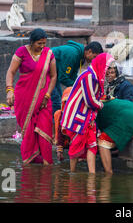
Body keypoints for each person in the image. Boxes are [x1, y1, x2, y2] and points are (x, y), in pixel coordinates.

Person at [6, 28, 57, 165]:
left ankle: (45, 163)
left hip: (44, 100)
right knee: (28, 129)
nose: (42, 46)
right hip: (24, 98)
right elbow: (11, 72)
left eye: (44, 43)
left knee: (44, 127)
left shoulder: (48, 54)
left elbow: (53, 77)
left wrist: (47, 94)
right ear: (32, 42)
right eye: (39, 43)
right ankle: (30, 161)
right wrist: (9, 90)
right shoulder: (21, 52)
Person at [60, 52, 114, 173]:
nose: (107, 71)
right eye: (106, 67)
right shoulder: (88, 76)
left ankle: (92, 174)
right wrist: (100, 104)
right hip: (77, 117)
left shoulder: (97, 77)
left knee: (92, 145)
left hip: (89, 117)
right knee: (76, 146)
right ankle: (72, 173)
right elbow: (90, 101)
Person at [51, 41, 103, 115]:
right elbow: (63, 77)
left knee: (60, 98)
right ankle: (53, 124)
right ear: (89, 51)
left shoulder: (80, 57)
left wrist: (80, 85)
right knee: (56, 100)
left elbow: (73, 75)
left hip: (54, 73)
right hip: (45, 70)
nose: (93, 60)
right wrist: (78, 86)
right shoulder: (73, 54)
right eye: (94, 57)